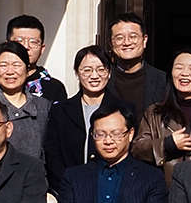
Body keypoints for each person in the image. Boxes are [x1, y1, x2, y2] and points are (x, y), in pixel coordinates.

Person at [45, 46, 129, 192]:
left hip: (113, 189)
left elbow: (129, 152)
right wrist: (68, 187)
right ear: (77, 73)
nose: (94, 75)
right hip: (69, 190)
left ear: (109, 72)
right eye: (87, 70)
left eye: (101, 70)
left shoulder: (124, 109)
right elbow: (53, 156)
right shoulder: (60, 111)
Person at [135, 49, 191, 177]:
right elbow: (137, 149)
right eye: (179, 68)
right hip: (165, 185)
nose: (184, 73)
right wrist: (167, 144)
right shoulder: (154, 113)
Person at [0, 42, 49, 164]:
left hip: (34, 175)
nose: (10, 71)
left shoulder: (43, 107)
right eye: (3, 65)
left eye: (16, 65)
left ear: (27, 69)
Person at [0, 15, 69, 103]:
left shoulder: (53, 88)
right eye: (19, 41)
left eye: (33, 42)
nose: (26, 47)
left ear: (42, 49)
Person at [106, 13, 170, 117]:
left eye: (133, 37)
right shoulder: (102, 78)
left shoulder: (162, 80)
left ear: (144, 40)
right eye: (119, 38)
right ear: (110, 43)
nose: (127, 43)